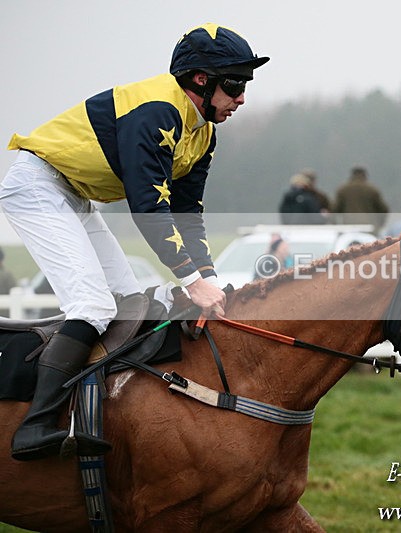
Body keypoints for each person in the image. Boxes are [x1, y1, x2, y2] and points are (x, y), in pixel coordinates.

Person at [0, 23, 268, 461]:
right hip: (37, 187)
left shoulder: (202, 132)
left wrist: (208, 280)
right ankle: (35, 426)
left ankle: (107, 409)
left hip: (76, 195)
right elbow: (148, 208)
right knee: (94, 305)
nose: (241, 98)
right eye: (235, 85)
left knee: (127, 300)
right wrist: (189, 280)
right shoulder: (156, 110)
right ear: (201, 79)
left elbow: (187, 214)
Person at [332, 166, 389, 232]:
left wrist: (336, 226)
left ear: (352, 176)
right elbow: (383, 210)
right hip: (368, 228)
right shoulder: (372, 190)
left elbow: (334, 210)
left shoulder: (343, 190)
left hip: (349, 227)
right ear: (365, 176)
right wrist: (378, 226)